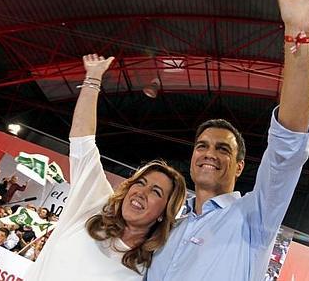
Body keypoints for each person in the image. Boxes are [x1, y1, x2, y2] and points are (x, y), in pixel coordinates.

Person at [146, 0, 309, 280]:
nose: (209, 153)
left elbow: (288, 145)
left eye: (223, 149)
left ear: (240, 166)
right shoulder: (167, 229)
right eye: (202, 146)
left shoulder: (255, 216)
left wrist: (298, 37)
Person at [24, 54, 187, 281]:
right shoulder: (94, 205)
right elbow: (83, 141)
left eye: (156, 192)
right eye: (141, 182)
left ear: (164, 213)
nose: (142, 192)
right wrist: (93, 77)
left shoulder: (148, 271)